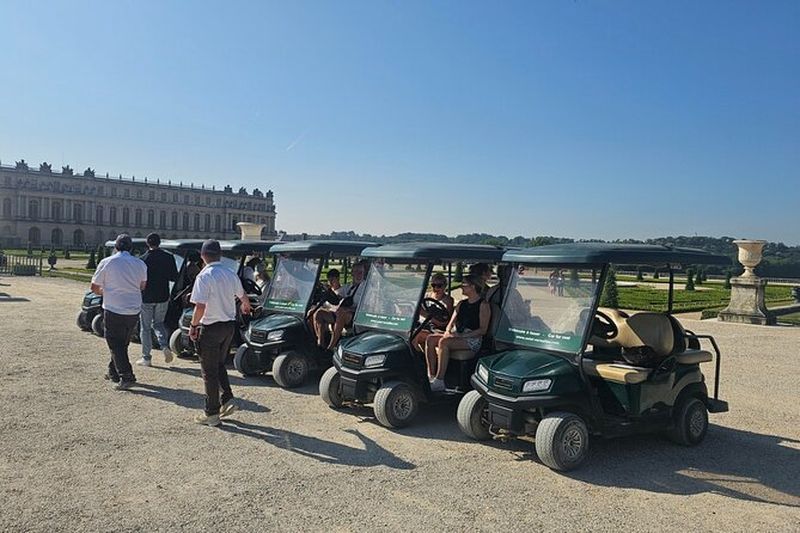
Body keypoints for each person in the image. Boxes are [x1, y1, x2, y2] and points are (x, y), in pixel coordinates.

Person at [189, 239, 252, 427]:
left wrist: (193, 326)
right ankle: (227, 398)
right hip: (228, 326)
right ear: (220, 255)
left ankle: (212, 413)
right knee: (218, 364)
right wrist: (245, 307)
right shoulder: (230, 273)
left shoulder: (204, 276)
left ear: (202, 256)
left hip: (211, 326)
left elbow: (200, 306)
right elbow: (243, 297)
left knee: (208, 371)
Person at [91, 234, 148, 390]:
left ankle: (127, 376)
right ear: (131, 248)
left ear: (116, 247)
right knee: (122, 342)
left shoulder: (107, 262)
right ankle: (114, 372)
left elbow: (94, 287)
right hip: (133, 309)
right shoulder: (140, 263)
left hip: (114, 308)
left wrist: (105, 292)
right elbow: (142, 286)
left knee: (115, 343)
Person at [425, 274, 490, 392]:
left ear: (473, 286)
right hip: (458, 335)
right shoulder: (461, 304)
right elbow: (451, 323)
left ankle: (439, 380)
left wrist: (462, 335)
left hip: (473, 339)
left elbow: (483, 330)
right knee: (430, 339)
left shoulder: (483, 305)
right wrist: (448, 331)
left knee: (444, 342)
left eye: (464, 284)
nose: (461, 287)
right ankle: (431, 376)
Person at [136, 233, 178, 367]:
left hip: (147, 297)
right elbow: (174, 277)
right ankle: (164, 346)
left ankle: (146, 357)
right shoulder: (168, 257)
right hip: (163, 295)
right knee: (159, 324)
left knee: (145, 328)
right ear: (160, 243)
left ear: (147, 244)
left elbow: (139, 281)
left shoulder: (142, 259)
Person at [326, 261, 368, 351]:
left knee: (341, 313)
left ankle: (332, 345)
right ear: (352, 273)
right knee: (319, 313)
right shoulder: (348, 286)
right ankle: (320, 343)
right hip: (343, 313)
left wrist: (348, 309)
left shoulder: (366, 287)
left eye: (360, 272)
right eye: (356, 272)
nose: (358, 274)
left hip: (357, 316)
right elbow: (336, 295)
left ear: (364, 273)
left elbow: (366, 307)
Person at [412, 272, 454, 352]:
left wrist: (426, 316)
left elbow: (445, 322)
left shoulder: (448, 301)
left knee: (415, 334)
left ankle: (417, 357)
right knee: (408, 332)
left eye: (439, 286)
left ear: (445, 286)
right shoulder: (426, 296)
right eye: (433, 285)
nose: (436, 288)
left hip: (436, 329)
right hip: (422, 325)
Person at [311, 268, 345, 347]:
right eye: (329, 280)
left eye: (333, 280)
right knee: (311, 312)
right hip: (327, 310)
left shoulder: (342, 290)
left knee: (318, 313)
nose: (331, 282)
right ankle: (315, 338)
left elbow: (339, 302)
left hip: (335, 312)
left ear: (338, 279)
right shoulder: (327, 290)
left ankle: (321, 342)